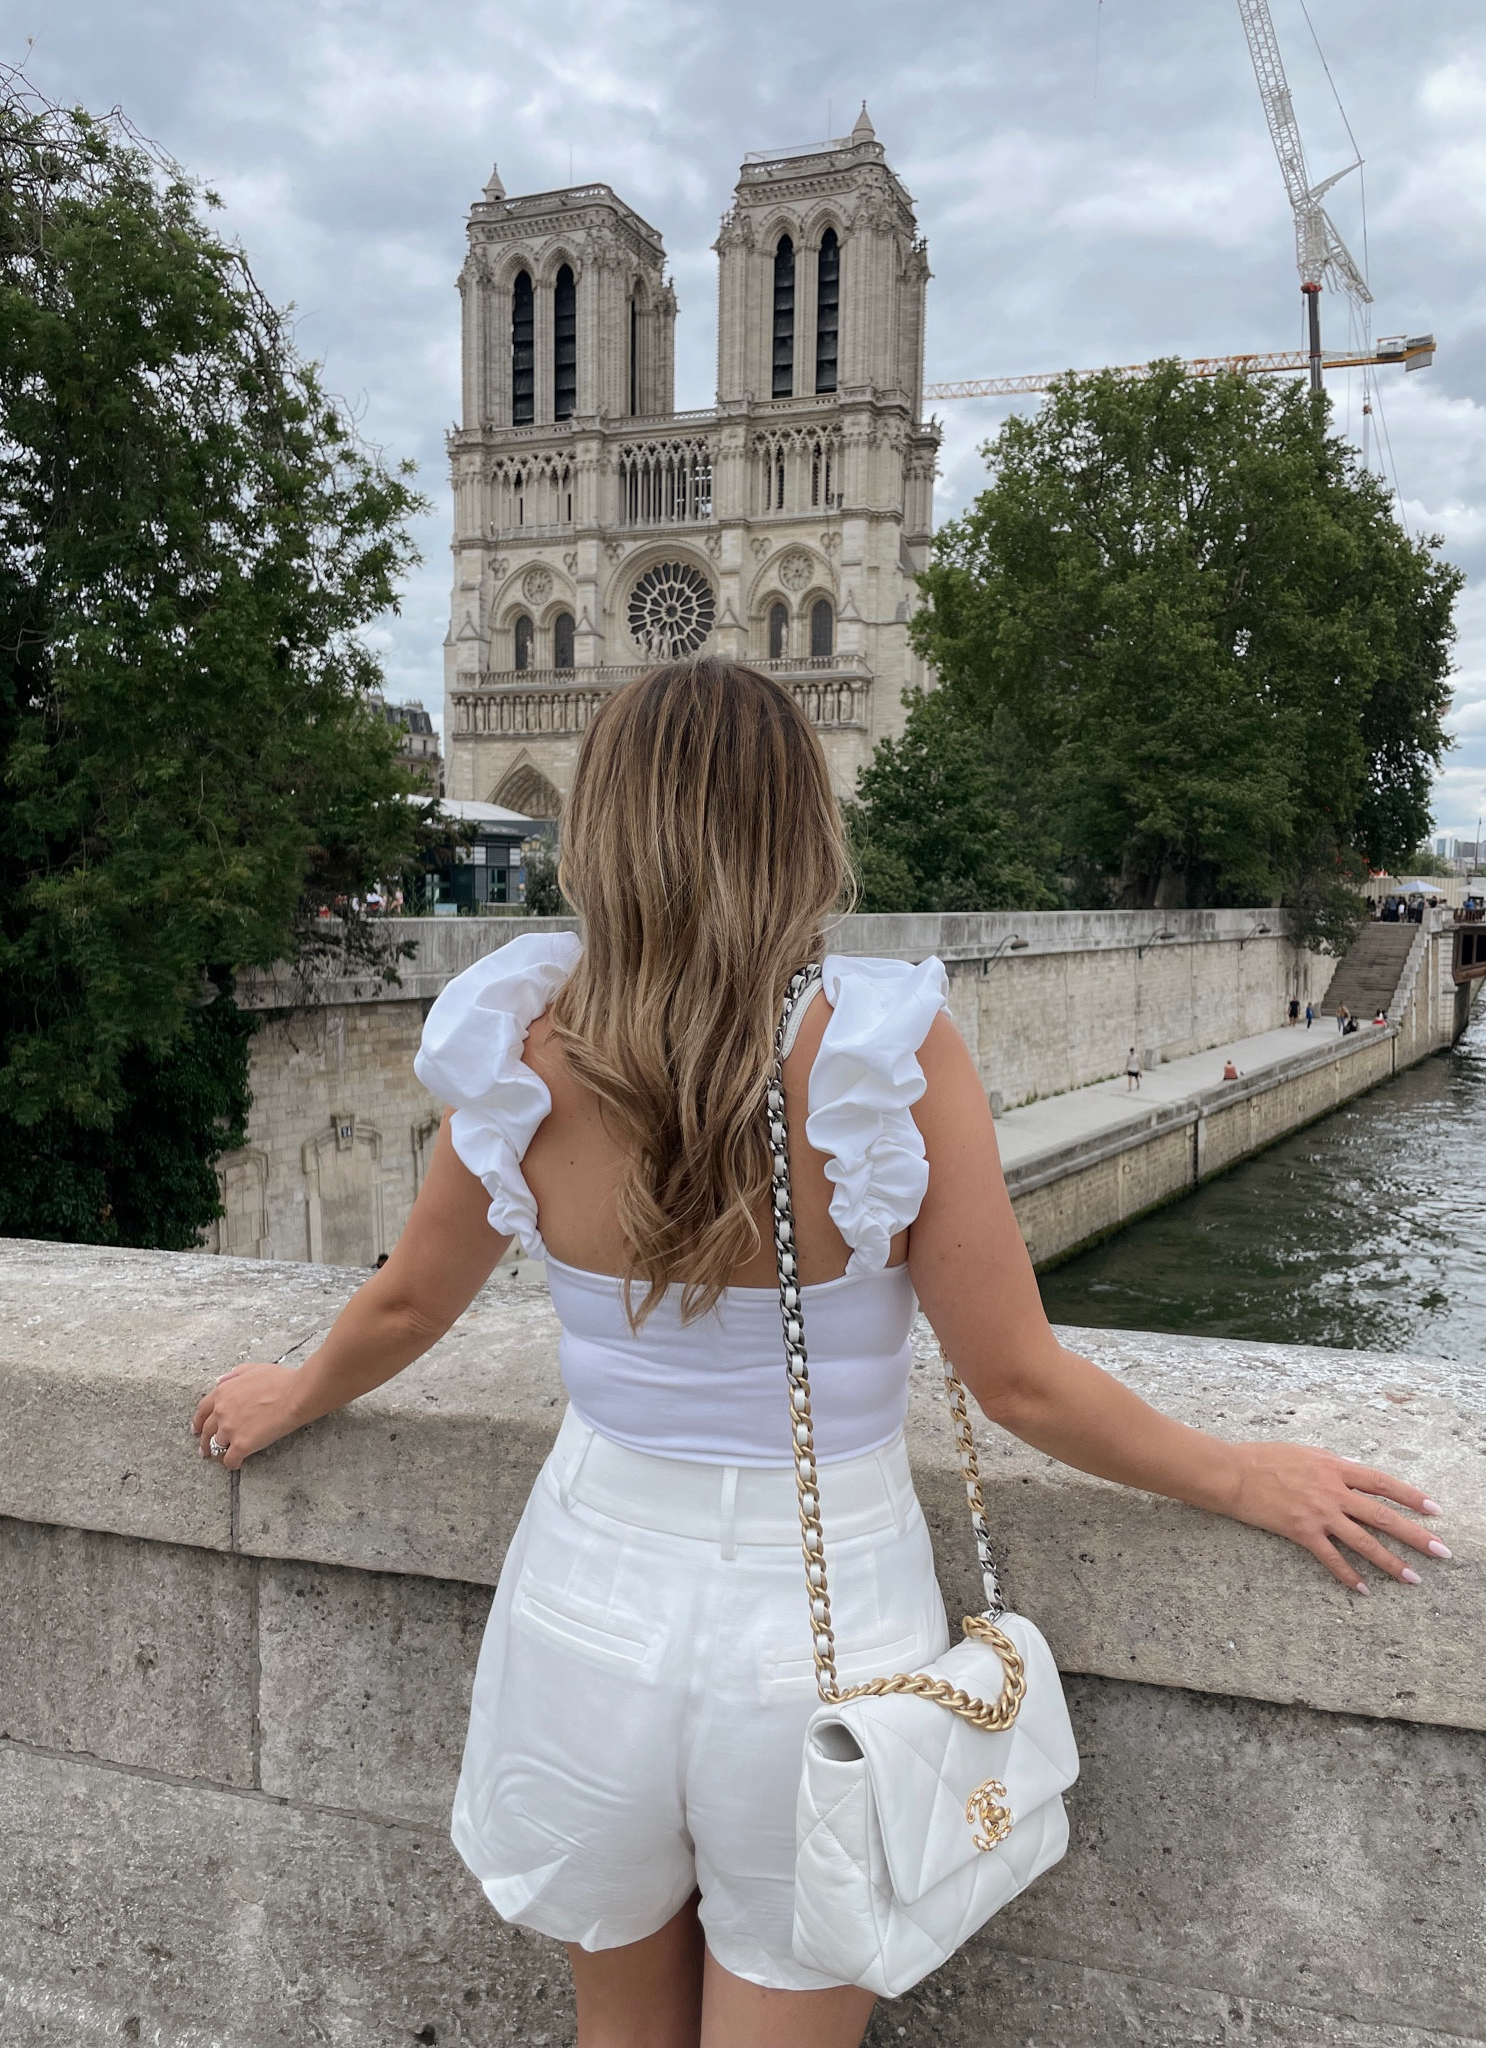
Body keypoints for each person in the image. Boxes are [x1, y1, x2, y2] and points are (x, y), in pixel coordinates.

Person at [189, 662, 1445, 2048]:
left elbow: (410, 1304)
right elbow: (1016, 1379)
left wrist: (291, 1389)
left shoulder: (522, 1047)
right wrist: (1244, 1479)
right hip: (826, 1631)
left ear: (599, 830)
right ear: (805, 827)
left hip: (587, 1611)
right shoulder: (880, 1048)